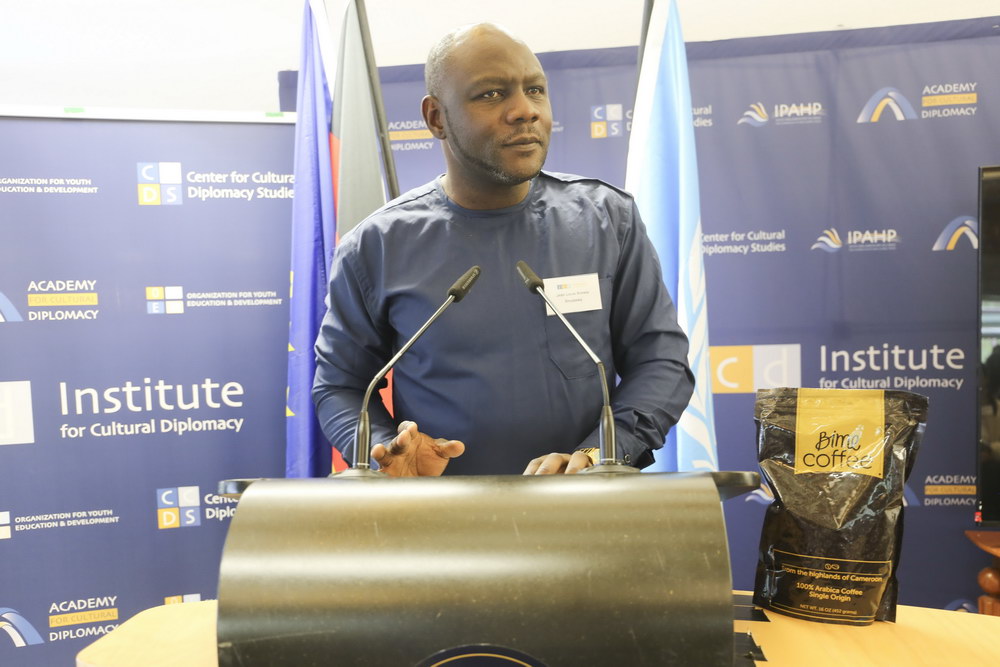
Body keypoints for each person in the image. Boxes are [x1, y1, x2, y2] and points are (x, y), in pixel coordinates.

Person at [312, 23, 694, 476]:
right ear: (436, 118)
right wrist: (387, 449)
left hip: (587, 505)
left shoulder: (608, 219)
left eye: (535, 90)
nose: (524, 111)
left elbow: (661, 364)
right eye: (491, 94)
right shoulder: (377, 244)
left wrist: (598, 456)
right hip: (438, 510)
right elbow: (340, 386)